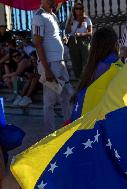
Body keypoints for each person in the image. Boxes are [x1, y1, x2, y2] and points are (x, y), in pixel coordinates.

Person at [32, 0, 73, 134]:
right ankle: (49, 133)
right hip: (50, 64)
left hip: (59, 62)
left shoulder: (53, 15)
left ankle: (68, 126)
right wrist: (47, 70)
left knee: (66, 95)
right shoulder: (39, 16)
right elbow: (38, 44)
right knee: (50, 101)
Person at [65, 2, 92, 78]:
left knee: (86, 61)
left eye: (80, 8)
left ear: (82, 9)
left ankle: (87, 78)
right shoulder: (71, 20)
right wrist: (70, 20)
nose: (78, 10)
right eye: (76, 8)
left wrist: (81, 34)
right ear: (74, 10)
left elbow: (90, 33)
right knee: (75, 62)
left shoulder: (87, 19)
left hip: (84, 41)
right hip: (73, 41)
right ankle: (78, 79)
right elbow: (67, 31)